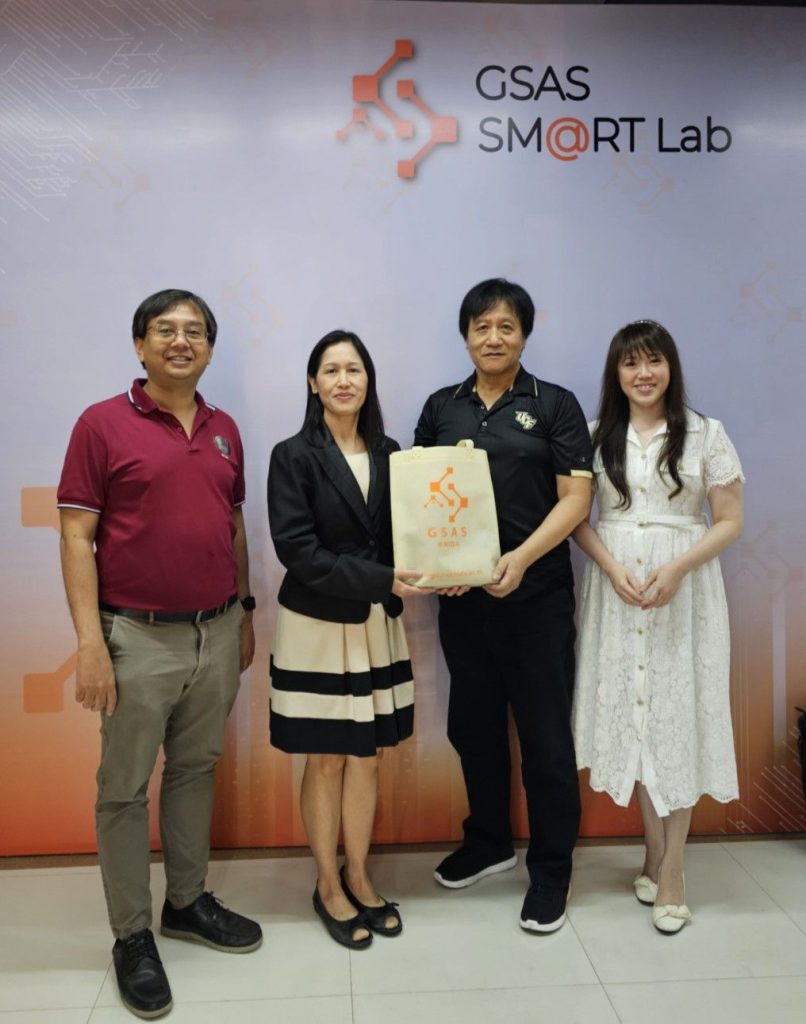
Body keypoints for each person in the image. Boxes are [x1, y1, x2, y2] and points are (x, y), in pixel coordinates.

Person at [57, 289, 262, 1019]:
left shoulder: (224, 429)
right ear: (140, 344)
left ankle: (186, 902)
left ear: (210, 348)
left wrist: (244, 611)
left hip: (216, 630)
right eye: (165, 330)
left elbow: (232, 525)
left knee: (195, 769)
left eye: (195, 331)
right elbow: (76, 535)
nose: (181, 341)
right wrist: (90, 643)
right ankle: (131, 936)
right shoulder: (101, 424)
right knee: (123, 789)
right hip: (135, 637)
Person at [414, 279, 593, 933]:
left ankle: (551, 871)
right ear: (466, 335)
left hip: (537, 598)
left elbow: (576, 499)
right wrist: (440, 565)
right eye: (481, 326)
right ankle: (489, 842)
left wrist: (519, 559)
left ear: (524, 334)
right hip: (464, 602)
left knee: (546, 741)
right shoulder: (442, 406)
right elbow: (422, 497)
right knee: (475, 729)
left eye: (506, 326)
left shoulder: (555, 404)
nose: (493, 338)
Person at [572, 319, 744, 934]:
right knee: (638, 720)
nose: (643, 373)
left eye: (654, 361)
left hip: (683, 594)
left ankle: (673, 871)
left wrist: (677, 567)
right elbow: (577, 516)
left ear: (670, 367)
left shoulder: (705, 434)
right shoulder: (595, 435)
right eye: (631, 363)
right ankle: (652, 853)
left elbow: (729, 519)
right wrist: (611, 566)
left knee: (676, 721)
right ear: (616, 373)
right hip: (617, 590)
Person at [268, 330, 426, 949]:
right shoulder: (292, 455)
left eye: (353, 369)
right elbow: (298, 551)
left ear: (368, 380)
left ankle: (359, 874)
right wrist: (382, 578)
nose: (343, 380)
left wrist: (445, 561)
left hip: (376, 621)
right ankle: (327, 882)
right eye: (330, 370)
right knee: (327, 757)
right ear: (313, 383)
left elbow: (411, 534)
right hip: (317, 624)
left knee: (368, 756)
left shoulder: (391, 453)